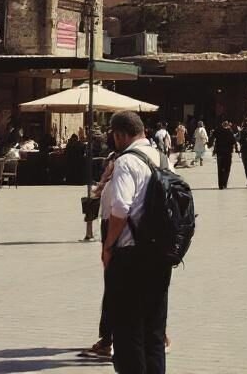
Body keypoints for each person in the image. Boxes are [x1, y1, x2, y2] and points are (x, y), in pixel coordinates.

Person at [99, 111, 170, 374]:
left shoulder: (127, 162)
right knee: (154, 330)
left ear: (119, 135)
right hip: (160, 255)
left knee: (128, 333)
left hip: (130, 255)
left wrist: (108, 246)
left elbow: (120, 208)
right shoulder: (162, 158)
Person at [212, 121, 237, 189]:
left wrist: (210, 145)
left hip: (219, 152)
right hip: (228, 153)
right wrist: (237, 150)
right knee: (227, 168)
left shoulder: (218, 131)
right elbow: (234, 141)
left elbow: (212, 137)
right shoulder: (230, 132)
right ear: (228, 125)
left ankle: (220, 185)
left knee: (220, 168)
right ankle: (225, 183)